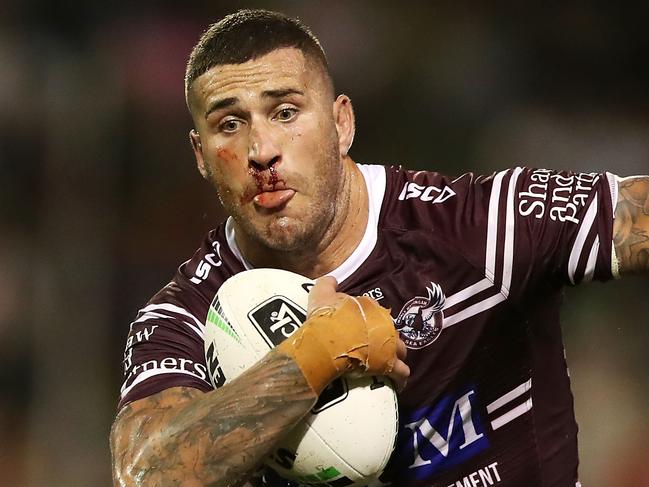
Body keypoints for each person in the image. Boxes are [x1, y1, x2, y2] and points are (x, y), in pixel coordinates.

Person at [109, 9, 648, 487]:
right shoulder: (188, 315)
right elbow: (146, 473)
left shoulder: (479, 227)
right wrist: (311, 358)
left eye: (286, 112)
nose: (262, 150)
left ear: (343, 123)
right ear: (201, 155)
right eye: (230, 124)